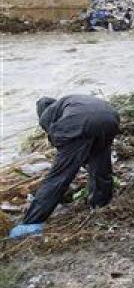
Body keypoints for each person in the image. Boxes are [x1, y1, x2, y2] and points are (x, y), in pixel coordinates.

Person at [8, 95, 120, 239]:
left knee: (57, 178)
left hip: (82, 121)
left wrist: (68, 162)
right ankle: (101, 203)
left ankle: (32, 222)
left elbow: (58, 141)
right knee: (100, 165)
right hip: (110, 117)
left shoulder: (47, 114)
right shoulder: (69, 102)